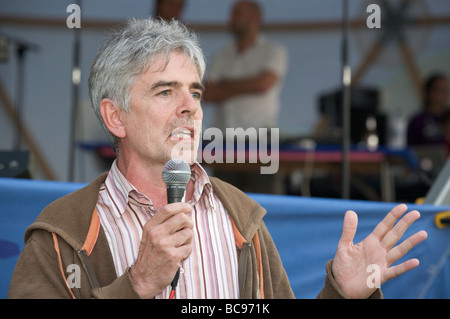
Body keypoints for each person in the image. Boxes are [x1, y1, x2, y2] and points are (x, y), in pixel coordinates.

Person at [8, 18, 427, 299]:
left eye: (196, 91)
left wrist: (342, 293)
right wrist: (135, 286)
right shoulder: (61, 234)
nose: (190, 106)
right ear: (115, 116)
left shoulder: (241, 218)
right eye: (165, 91)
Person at [203, 0, 287, 134]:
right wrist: (249, 85)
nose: (231, 19)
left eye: (237, 14)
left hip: (260, 135)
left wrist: (224, 84)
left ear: (255, 17)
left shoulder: (274, 51)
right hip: (223, 135)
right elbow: (207, 94)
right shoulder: (222, 55)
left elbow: (263, 84)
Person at [407, 73, 449, 146]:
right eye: (440, 90)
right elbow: (410, 149)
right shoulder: (417, 121)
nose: (444, 94)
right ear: (429, 92)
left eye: (446, 90)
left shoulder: (448, 118)